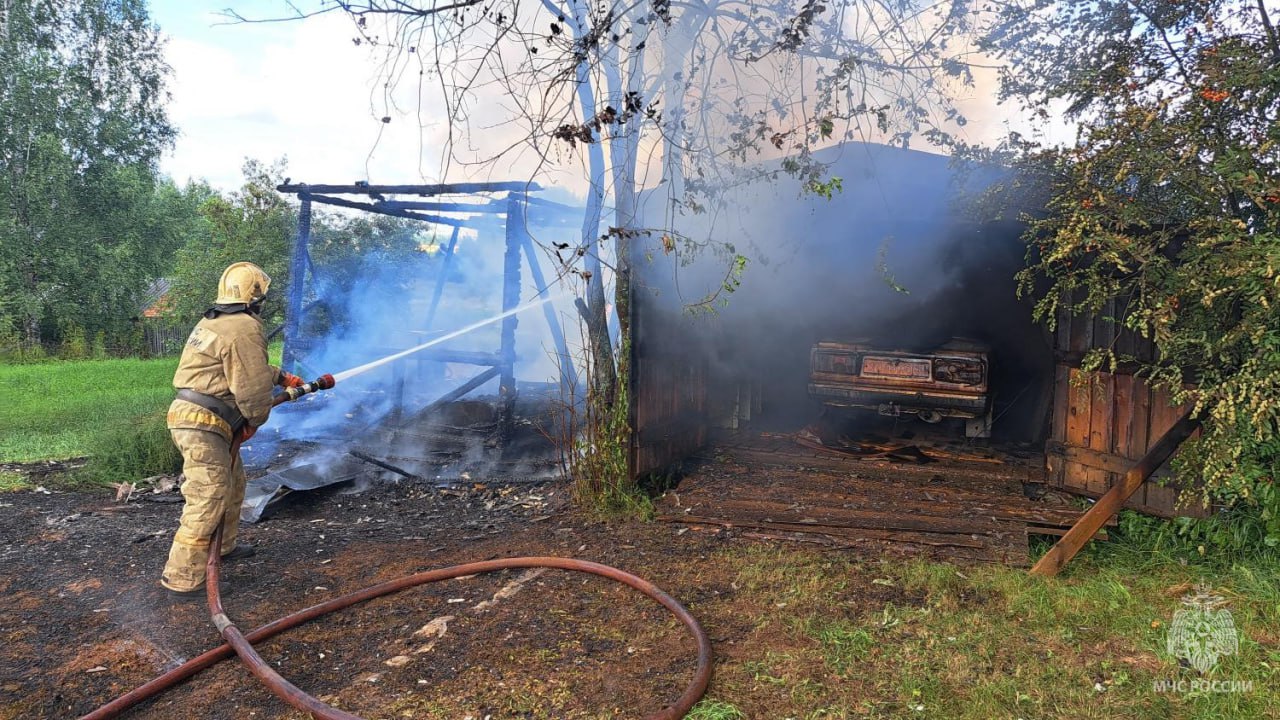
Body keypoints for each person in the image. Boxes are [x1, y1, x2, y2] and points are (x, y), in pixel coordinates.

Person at [160, 262, 303, 597]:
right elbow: (252, 391)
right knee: (207, 494)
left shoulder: (218, 321)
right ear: (256, 295)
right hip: (204, 422)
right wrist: (255, 420)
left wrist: (282, 377)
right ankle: (181, 578)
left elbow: (242, 365)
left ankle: (223, 547)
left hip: (200, 416)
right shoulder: (244, 327)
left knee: (233, 484)